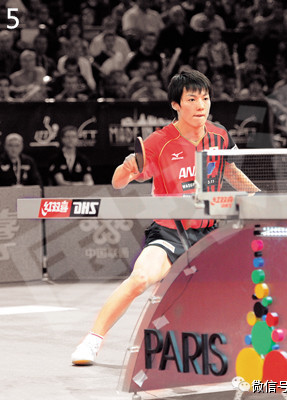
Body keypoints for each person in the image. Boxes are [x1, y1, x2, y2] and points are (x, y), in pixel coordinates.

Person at [71, 70, 260, 365]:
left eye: (205, 98)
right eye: (192, 99)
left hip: (209, 232)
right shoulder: (160, 142)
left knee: (246, 283)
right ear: (176, 104)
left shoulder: (219, 134)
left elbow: (229, 170)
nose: (201, 105)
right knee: (140, 278)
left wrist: (259, 198)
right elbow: (118, 182)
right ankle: (92, 341)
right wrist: (128, 166)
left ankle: (247, 349)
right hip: (170, 232)